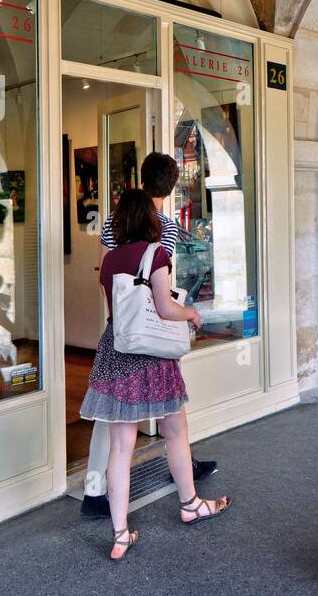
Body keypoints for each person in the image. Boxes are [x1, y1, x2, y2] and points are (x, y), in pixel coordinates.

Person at [79, 189, 229, 561]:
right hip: (152, 359)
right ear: (149, 219)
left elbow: (117, 310)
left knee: (120, 448)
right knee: (175, 432)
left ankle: (119, 534)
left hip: (117, 353)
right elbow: (164, 308)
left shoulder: (110, 260)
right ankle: (190, 504)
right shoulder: (155, 253)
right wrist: (191, 314)